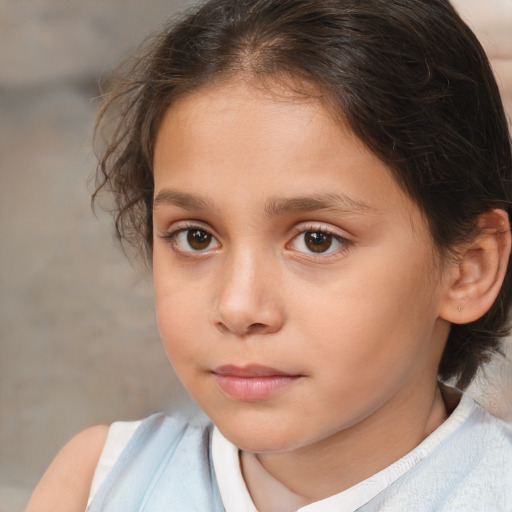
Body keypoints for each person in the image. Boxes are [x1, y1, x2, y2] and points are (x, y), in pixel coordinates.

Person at [26, 0, 512, 510]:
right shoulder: (97, 483)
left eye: (316, 240)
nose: (237, 308)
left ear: (467, 269)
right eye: (196, 237)